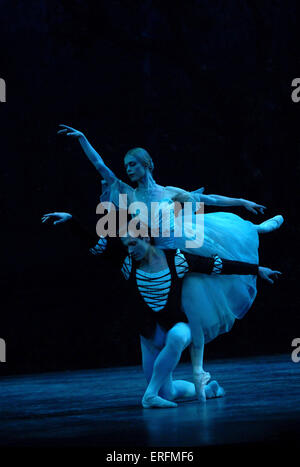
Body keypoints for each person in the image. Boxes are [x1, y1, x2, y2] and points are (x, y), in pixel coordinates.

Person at [55, 124, 284, 395]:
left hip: (181, 248)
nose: (128, 169)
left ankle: (254, 228)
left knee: (216, 250)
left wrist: (242, 201)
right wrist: (83, 138)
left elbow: (207, 198)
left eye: (133, 164)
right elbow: (99, 165)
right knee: (185, 327)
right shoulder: (128, 194)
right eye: (126, 165)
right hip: (156, 256)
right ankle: (200, 385)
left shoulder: (169, 192)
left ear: (147, 165)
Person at [42, 212, 281, 407]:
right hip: (149, 334)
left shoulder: (176, 259)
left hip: (178, 324)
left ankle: (149, 396)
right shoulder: (127, 261)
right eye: (126, 244)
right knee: (169, 393)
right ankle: (209, 388)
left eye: (134, 242)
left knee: (178, 337)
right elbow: (97, 246)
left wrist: (257, 270)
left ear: (147, 239)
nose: (130, 248)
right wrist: (72, 220)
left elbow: (217, 265)